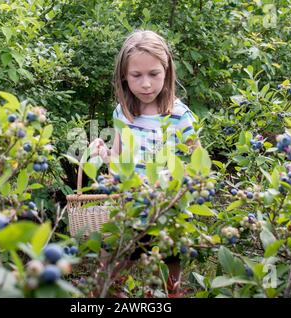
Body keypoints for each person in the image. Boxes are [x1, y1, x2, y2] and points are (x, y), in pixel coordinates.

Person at [90, 30, 199, 296]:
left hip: (166, 211)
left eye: (154, 74)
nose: (146, 84)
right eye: (136, 76)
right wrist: (104, 155)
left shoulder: (179, 116)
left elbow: (197, 163)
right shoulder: (123, 112)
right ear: (124, 76)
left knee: (166, 281)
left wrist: (173, 179)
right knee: (109, 273)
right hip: (128, 210)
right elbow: (117, 162)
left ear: (167, 72)